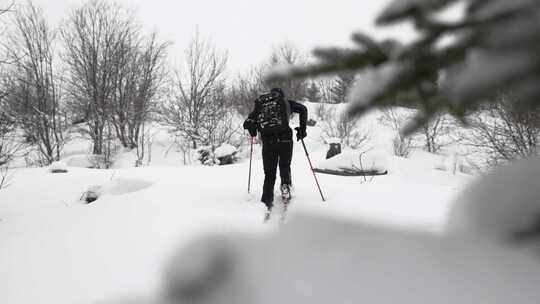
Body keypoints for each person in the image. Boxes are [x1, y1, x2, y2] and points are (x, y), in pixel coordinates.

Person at [243, 88, 308, 213]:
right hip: (285, 140)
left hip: (268, 143)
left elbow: (247, 122)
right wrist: (302, 130)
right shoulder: (286, 103)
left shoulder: (261, 105)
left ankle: (267, 200)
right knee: (285, 165)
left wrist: (253, 129)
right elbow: (303, 109)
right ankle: (285, 187)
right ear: (281, 97)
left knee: (269, 173)